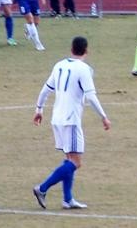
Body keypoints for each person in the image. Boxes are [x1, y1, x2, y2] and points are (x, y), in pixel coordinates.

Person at [32, 36, 111, 210]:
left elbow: (46, 89)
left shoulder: (59, 65)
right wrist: (103, 116)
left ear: (71, 49)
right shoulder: (84, 69)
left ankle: (68, 200)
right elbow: (91, 96)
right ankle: (42, 188)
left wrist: (39, 109)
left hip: (56, 119)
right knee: (76, 162)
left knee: (69, 158)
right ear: (86, 51)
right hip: (71, 120)